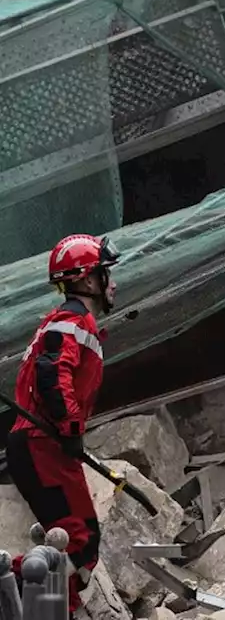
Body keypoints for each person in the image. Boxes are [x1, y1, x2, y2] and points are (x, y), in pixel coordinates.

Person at [7, 234, 120, 612]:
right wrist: (72, 429)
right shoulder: (73, 321)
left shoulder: (64, 323)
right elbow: (52, 374)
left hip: (41, 445)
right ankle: (14, 586)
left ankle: (55, 608)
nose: (113, 283)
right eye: (107, 274)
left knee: (72, 544)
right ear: (89, 281)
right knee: (81, 542)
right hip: (45, 446)